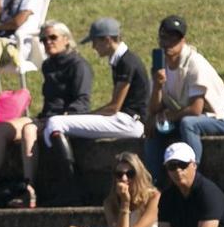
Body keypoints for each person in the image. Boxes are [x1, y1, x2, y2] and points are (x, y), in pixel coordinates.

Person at [0, 21, 87, 208]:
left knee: (29, 130)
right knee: (3, 128)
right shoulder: (48, 65)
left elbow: (82, 101)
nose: (48, 42)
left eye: (53, 37)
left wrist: (60, 118)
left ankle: (29, 188)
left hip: (62, 119)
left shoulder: (78, 64)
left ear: (66, 40)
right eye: (44, 39)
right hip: (44, 117)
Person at [38, 17, 148, 169]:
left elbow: (114, 107)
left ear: (107, 40)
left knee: (56, 122)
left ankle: (68, 178)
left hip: (131, 122)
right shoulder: (121, 61)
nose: (94, 47)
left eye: (95, 42)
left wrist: (83, 116)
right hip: (126, 120)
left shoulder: (126, 62)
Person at [145, 14, 224, 179]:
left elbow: (196, 110)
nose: (169, 44)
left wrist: (165, 116)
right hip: (189, 117)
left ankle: (193, 177)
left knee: (188, 124)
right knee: (154, 128)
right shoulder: (160, 65)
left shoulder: (194, 63)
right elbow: (153, 109)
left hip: (222, 118)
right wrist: (157, 87)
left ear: (183, 41)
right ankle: (154, 183)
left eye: (174, 39)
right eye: (165, 38)